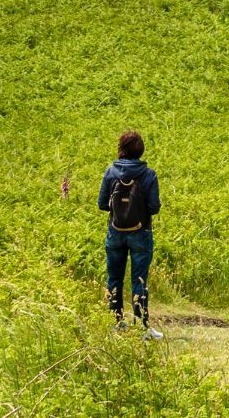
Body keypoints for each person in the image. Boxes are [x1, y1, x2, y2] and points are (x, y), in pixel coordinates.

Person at [98, 130, 163, 338]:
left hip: (115, 232)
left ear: (121, 149)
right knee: (139, 280)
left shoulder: (110, 172)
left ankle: (116, 323)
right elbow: (154, 207)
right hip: (141, 232)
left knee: (114, 278)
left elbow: (101, 204)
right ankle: (141, 327)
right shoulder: (149, 174)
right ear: (140, 150)